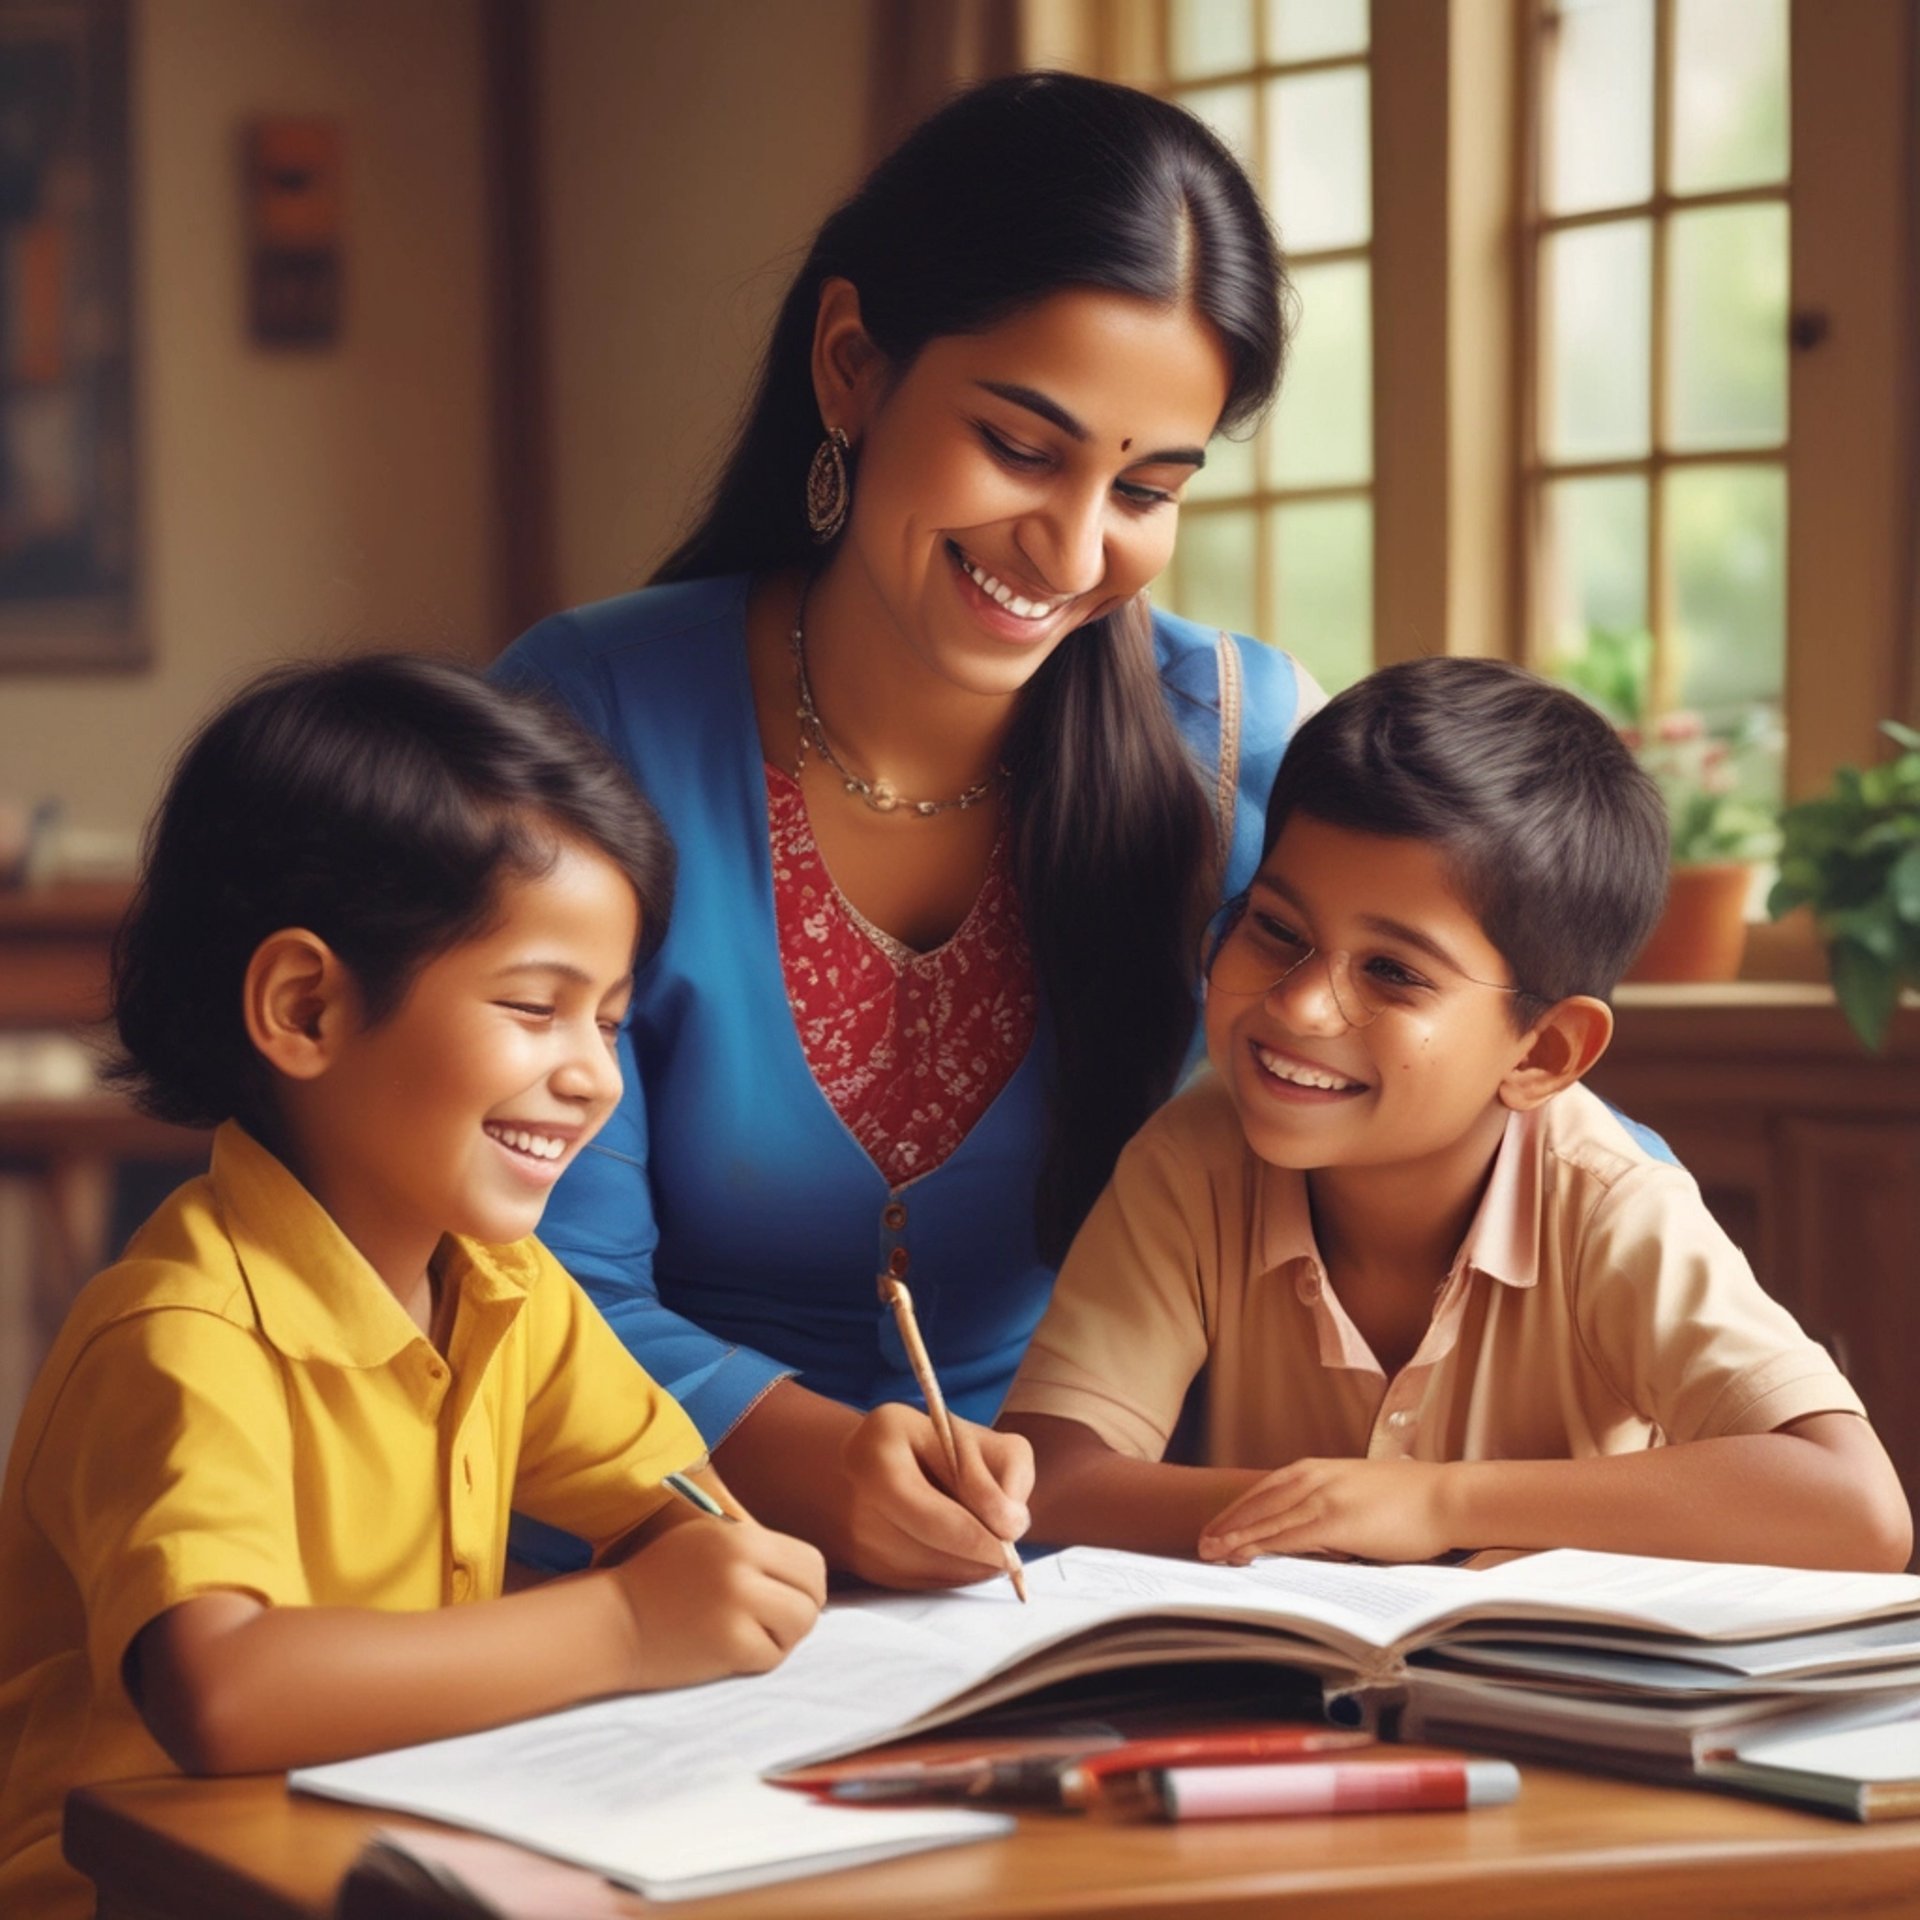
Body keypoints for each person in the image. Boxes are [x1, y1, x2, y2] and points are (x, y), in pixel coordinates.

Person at [492, 71, 1319, 1591]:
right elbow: (522, 1265)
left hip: (1051, 1593)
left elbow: (1494, 1131)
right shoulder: (583, 720)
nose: (1073, 551)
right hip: (626, 1576)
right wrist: (808, 1461)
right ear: (854, 364)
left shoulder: (1240, 751)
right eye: (1021, 446)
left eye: (1146, 486)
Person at [0, 658, 827, 1920]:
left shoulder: (503, 1288)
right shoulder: (180, 1337)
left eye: (608, 1021)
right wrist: (622, 1628)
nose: (595, 1077)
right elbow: (224, 1693)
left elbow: (669, 1505)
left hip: (372, 1864)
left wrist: (710, 1564)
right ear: (307, 1006)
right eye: (535, 1008)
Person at [999, 658, 1912, 1572]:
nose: (1301, 1007)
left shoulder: (1610, 1204)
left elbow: (1857, 1508)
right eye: (1276, 928)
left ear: (1543, 1053)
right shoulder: (1194, 1159)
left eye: (1393, 971)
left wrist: (1436, 1502)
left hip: (1551, 1699)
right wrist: (1320, 1509)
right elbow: (1055, 1476)